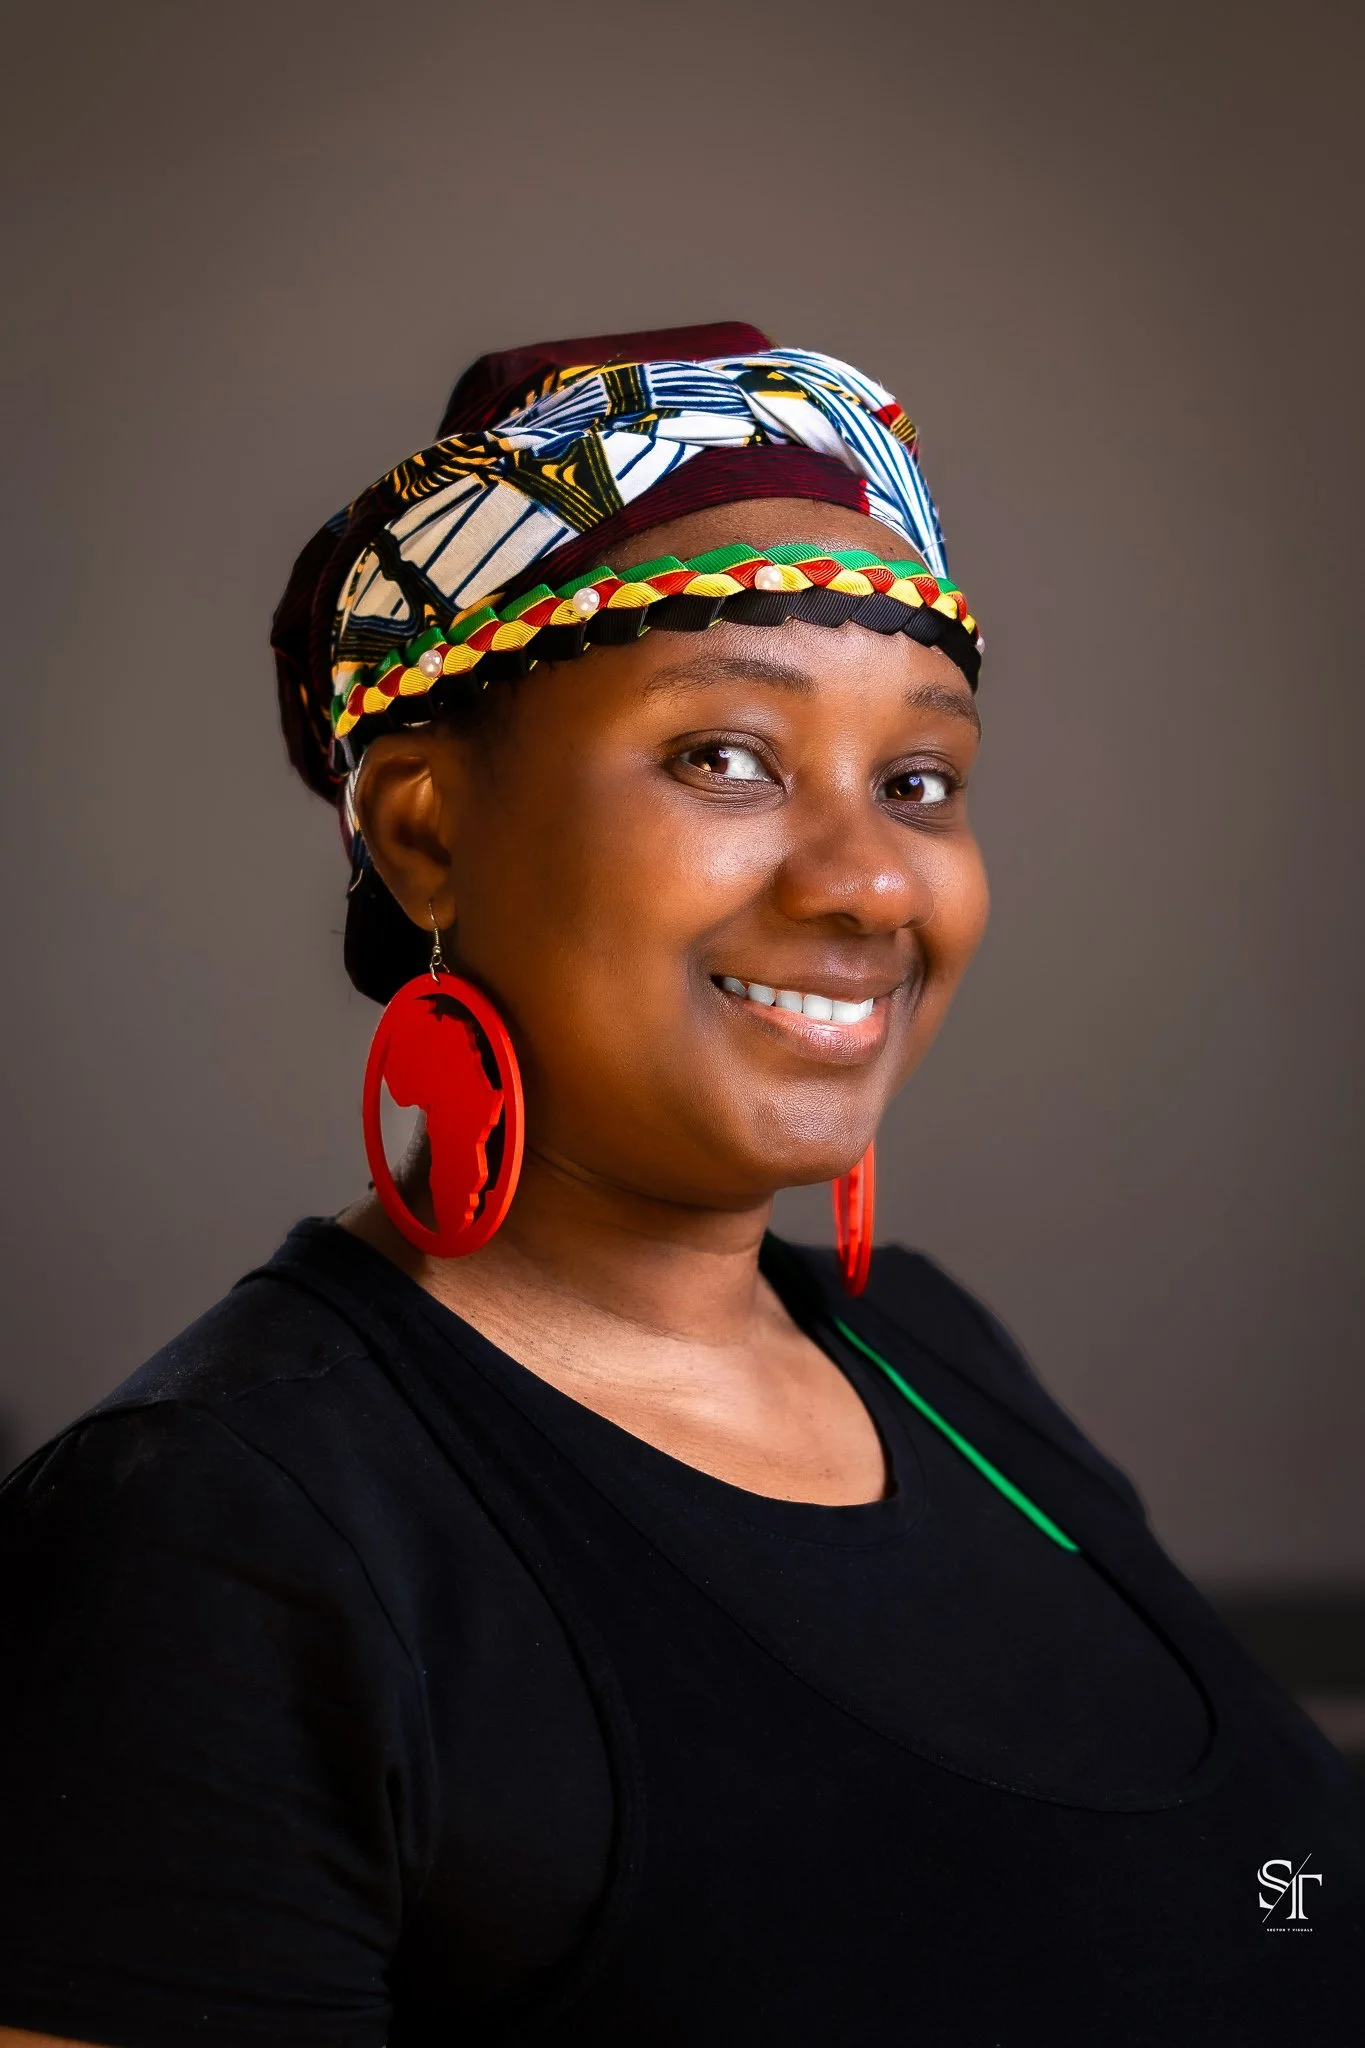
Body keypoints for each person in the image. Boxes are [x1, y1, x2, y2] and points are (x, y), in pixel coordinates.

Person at [0, 322, 1360, 2047]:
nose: (872, 879)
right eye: (725, 757)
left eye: (919, 781)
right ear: (424, 833)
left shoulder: (934, 1363)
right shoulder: (219, 1531)